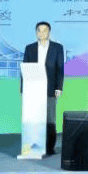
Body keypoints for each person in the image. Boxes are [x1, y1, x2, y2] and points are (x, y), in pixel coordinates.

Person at [23, 21, 64, 156]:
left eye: (44, 30)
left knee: (50, 119)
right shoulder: (29, 48)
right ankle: (35, 146)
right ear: (36, 33)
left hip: (50, 88)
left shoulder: (57, 48)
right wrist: (24, 89)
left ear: (49, 32)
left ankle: (50, 147)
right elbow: (25, 69)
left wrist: (59, 87)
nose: (42, 33)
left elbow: (60, 68)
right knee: (34, 119)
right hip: (33, 89)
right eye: (39, 30)